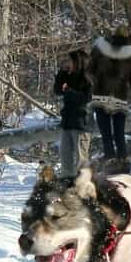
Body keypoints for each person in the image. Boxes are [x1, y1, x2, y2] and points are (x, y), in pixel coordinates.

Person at [87, 24, 131, 174]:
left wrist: (96, 81)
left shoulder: (100, 47)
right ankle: (123, 160)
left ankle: (110, 160)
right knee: (119, 132)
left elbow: (89, 71)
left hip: (101, 94)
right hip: (120, 96)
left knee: (106, 133)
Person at [53, 49, 93, 177]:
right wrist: (62, 72)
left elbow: (86, 99)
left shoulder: (88, 79)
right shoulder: (69, 76)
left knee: (81, 160)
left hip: (81, 124)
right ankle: (67, 185)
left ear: (78, 62)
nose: (68, 63)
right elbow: (58, 90)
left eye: (70, 60)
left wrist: (69, 91)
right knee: (65, 158)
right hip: (67, 122)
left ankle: (83, 188)